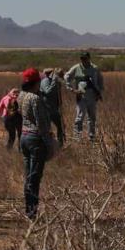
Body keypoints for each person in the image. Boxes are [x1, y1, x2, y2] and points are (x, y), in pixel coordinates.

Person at [18, 68, 57, 218]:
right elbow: (42, 124)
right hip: (36, 139)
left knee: (29, 176)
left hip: (24, 137)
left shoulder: (21, 96)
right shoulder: (35, 99)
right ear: (37, 82)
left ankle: (29, 209)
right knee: (35, 178)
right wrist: (49, 143)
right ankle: (32, 212)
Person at [65, 52, 104, 141]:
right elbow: (66, 76)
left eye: (85, 58)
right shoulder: (76, 68)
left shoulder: (95, 68)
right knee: (80, 117)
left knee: (92, 117)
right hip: (81, 96)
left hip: (92, 96)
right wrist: (71, 89)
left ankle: (92, 136)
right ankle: (77, 137)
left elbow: (100, 80)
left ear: (89, 58)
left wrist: (99, 92)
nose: (84, 60)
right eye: (82, 58)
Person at [39, 68, 66, 146]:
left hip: (54, 109)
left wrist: (60, 103)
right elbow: (47, 92)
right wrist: (54, 82)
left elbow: (57, 94)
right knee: (47, 129)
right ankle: (47, 146)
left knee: (60, 126)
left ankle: (60, 145)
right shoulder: (45, 81)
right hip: (46, 109)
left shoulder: (56, 83)